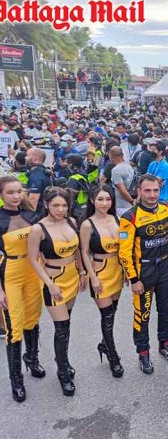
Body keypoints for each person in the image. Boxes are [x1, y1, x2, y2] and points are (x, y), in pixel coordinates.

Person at [27, 188, 87, 396]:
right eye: (55, 205)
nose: (60, 209)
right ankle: (62, 372)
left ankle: (63, 360)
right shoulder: (38, 229)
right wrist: (49, 284)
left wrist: (82, 272)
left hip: (72, 277)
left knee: (66, 324)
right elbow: (33, 259)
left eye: (64, 205)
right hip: (54, 281)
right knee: (61, 328)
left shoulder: (72, 221)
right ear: (46, 205)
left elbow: (77, 249)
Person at [118, 174, 168, 374]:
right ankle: (143, 353)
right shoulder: (129, 217)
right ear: (139, 192)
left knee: (165, 310)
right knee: (142, 314)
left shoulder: (166, 208)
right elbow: (124, 253)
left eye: (155, 190)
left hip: (166, 267)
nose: (152, 195)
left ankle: (165, 344)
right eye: (147, 191)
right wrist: (134, 279)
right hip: (144, 272)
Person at [0, 176, 44, 403]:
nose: (16, 196)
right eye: (10, 192)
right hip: (10, 274)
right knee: (14, 328)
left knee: (32, 320)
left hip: (34, 273)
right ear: (1, 195)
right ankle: (16, 379)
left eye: (19, 191)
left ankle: (32, 359)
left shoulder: (31, 214)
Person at [79, 185, 124, 378]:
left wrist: (127, 270)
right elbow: (84, 252)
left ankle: (104, 345)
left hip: (117, 270)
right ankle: (113, 357)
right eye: (100, 199)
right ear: (92, 200)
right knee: (107, 317)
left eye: (108, 199)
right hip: (100, 272)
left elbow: (124, 244)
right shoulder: (87, 224)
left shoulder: (117, 219)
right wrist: (92, 277)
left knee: (113, 312)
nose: (104, 203)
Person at [25, 147, 52, 216]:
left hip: (38, 213)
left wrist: (28, 217)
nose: (25, 158)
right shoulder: (45, 171)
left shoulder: (36, 175)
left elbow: (33, 199)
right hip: (45, 211)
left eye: (27, 155)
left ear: (34, 158)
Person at [109, 146, 135, 217]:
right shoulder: (129, 166)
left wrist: (132, 201)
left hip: (121, 206)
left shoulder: (115, 170)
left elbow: (122, 190)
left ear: (111, 156)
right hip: (131, 205)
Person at [65, 153, 90, 220]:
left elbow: (70, 200)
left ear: (72, 165)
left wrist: (67, 216)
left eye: (68, 163)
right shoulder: (84, 175)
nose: (66, 165)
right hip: (84, 209)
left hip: (76, 213)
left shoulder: (73, 179)